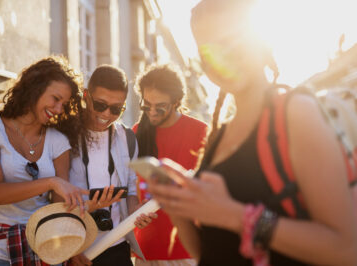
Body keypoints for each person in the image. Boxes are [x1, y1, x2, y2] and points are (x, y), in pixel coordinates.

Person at [147, 0, 357, 265]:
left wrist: (235, 215)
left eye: (233, 42)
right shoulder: (217, 136)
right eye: (208, 52)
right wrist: (177, 207)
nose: (222, 58)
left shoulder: (295, 114)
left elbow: (345, 249)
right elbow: (211, 252)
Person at [0, 56, 97, 265]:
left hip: (43, 251)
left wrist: (72, 246)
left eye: (64, 103)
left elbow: (58, 206)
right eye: (55, 98)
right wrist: (51, 182)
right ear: (35, 89)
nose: (59, 109)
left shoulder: (58, 141)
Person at [69, 65, 156, 266]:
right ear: (86, 96)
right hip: (73, 248)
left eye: (116, 109)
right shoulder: (64, 134)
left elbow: (131, 189)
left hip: (116, 246)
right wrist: (70, 248)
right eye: (100, 105)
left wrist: (137, 212)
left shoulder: (127, 138)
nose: (107, 114)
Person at [132, 64, 207, 266]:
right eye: (146, 105)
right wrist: (134, 210)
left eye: (160, 106)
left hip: (185, 252)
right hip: (145, 252)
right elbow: (132, 188)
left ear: (176, 102)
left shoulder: (201, 133)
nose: (152, 112)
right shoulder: (136, 133)